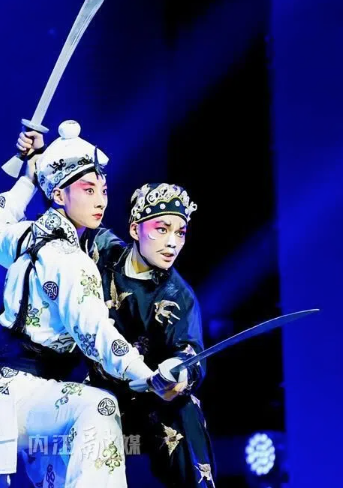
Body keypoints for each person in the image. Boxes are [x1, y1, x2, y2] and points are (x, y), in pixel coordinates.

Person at [0, 121, 181, 488]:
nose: (100, 201)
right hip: (24, 396)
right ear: (58, 195)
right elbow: (96, 335)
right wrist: (145, 376)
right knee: (99, 408)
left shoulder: (26, 236)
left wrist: (28, 177)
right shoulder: (70, 261)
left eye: (103, 190)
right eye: (88, 190)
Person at [89, 182, 216, 488]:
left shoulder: (178, 297)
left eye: (180, 233)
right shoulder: (102, 250)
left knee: (186, 411)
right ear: (135, 229)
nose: (172, 242)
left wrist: (177, 375)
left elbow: (191, 356)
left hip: (149, 412)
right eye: (162, 229)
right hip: (96, 398)